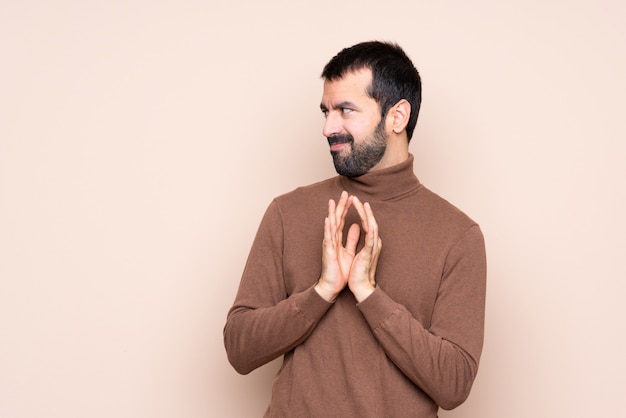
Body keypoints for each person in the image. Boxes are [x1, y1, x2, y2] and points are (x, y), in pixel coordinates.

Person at [223, 41, 486, 417]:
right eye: (326, 111)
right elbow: (239, 349)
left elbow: (454, 384)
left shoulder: (458, 235)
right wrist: (322, 291)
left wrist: (367, 293)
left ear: (397, 117)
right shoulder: (287, 212)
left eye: (346, 110)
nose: (329, 128)